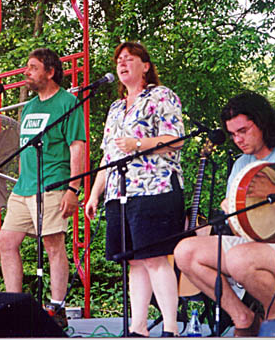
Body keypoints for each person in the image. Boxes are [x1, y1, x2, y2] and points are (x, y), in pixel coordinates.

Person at [174, 91, 275, 336]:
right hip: (256, 246)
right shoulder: (242, 164)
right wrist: (230, 208)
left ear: (262, 123)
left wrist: (274, 192)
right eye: (232, 134)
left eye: (244, 130)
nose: (238, 139)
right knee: (185, 252)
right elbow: (241, 223)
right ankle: (243, 317)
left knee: (240, 259)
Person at [85, 42, 185, 337]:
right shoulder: (116, 108)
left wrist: (139, 144)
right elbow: (107, 156)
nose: (122, 63)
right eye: (119, 60)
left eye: (129, 59)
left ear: (146, 66)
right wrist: (94, 194)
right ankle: (137, 328)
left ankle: (170, 329)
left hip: (155, 187)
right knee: (134, 260)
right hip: (120, 191)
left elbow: (176, 139)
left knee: (154, 257)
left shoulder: (161, 96)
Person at [0, 48, 86, 328]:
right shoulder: (31, 106)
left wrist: (74, 189)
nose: (27, 72)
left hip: (53, 185)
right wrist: (21, 181)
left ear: (50, 71)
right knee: (5, 242)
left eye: (33, 67)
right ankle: (16, 305)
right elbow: (25, 151)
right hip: (24, 189)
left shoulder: (67, 102)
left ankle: (57, 307)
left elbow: (78, 148)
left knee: (52, 244)